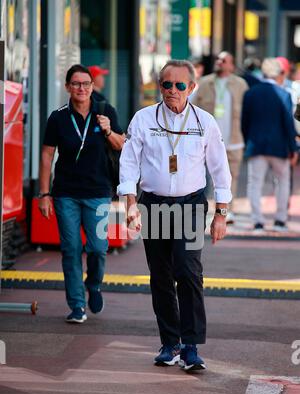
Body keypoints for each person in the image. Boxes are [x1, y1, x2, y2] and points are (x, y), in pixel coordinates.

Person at [117, 59, 232, 371]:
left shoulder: (205, 122)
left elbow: (220, 170)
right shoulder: (143, 119)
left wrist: (221, 213)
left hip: (191, 204)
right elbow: (128, 163)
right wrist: (129, 203)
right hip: (152, 203)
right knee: (162, 275)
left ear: (191, 88)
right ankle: (170, 343)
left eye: (180, 85)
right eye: (166, 84)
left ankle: (191, 346)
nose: (172, 90)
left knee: (188, 270)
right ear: (159, 86)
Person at [39, 64, 125, 323]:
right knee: (71, 248)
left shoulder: (105, 111)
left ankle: (94, 284)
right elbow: (46, 154)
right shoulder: (58, 117)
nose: (81, 88)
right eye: (76, 83)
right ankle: (77, 305)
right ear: (67, 87)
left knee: (99, 248)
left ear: (92, 86)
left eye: (86, 83)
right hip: (66, 193)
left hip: (98, 191)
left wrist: (108, 129)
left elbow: (122, 145)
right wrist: (44, 194)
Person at [242, 58, 298, 232]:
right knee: (282, 182)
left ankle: (258, 221)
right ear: (278, 75)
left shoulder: (251, 93)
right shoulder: (283, 94)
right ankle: (280, 220)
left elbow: (245, 122)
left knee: (255, 183)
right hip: (279, 146)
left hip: (256, 145)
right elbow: (288, 124)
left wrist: (247, 141)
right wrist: (293, 148)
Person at [191, 51, 248, 224]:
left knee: (232, 176)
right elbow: (191, 107)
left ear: (231, 65)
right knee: (206, 176)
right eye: (218, 60)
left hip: (234, 139)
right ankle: (209, 208)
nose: (219, 63)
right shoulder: (205, 82)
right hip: (208, 141)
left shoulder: (240, 84)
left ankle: (227, 210)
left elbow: (248, 111)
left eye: (224, 60)